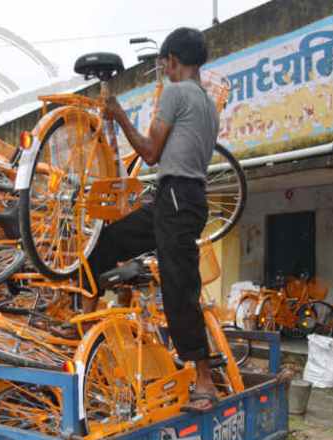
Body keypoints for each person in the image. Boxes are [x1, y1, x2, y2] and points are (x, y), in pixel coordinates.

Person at [84, 27, 220, 412]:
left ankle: (205, 382)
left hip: (178, 197)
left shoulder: (177, 93)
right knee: (106, 243)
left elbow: (149, 152)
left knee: (179, 287)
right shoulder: (208, 105)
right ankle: (83, 319)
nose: (165, 71)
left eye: (164, 64)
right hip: (177, 197)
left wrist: (119, 115)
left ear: (172, 61)